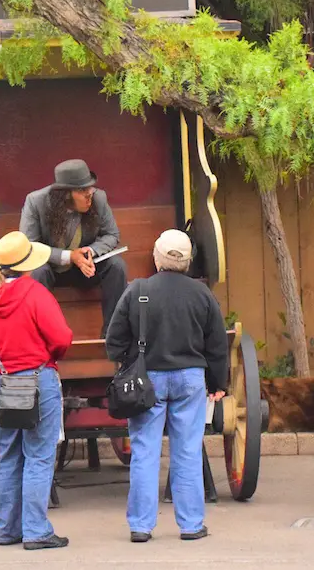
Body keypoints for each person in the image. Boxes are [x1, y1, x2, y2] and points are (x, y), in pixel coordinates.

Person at [105, 229, 229, 542]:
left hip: (147, 379)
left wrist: (128, 360)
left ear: (157, 257)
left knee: (145, 451)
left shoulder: (138, 290)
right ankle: (191, 525)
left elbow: (114, 341)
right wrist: (218, 382)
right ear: (188, 261)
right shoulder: (202, 294)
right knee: (187, 451)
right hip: (190, 379)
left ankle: (141, 526)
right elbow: (217, 344)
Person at [0, 231, 74, 550]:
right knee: (39, 456)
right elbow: (62, 338)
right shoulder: (36, 294)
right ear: (28, 264)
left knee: (9, 454)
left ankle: (7, 529)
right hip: (35, 381)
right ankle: (36, 530)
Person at [19, 159, 128, 336]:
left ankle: (113, 335)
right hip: (52, 269)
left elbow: (112, 234)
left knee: (116, 265)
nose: (89, 193)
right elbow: (29, 246)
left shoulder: (98, 198)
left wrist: (90, 251)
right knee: (37, 271)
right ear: (65, 194)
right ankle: (40, 337)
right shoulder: (36, 202)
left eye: (90, 187)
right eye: (82, 190)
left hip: (85, 269)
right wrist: (69, 256)